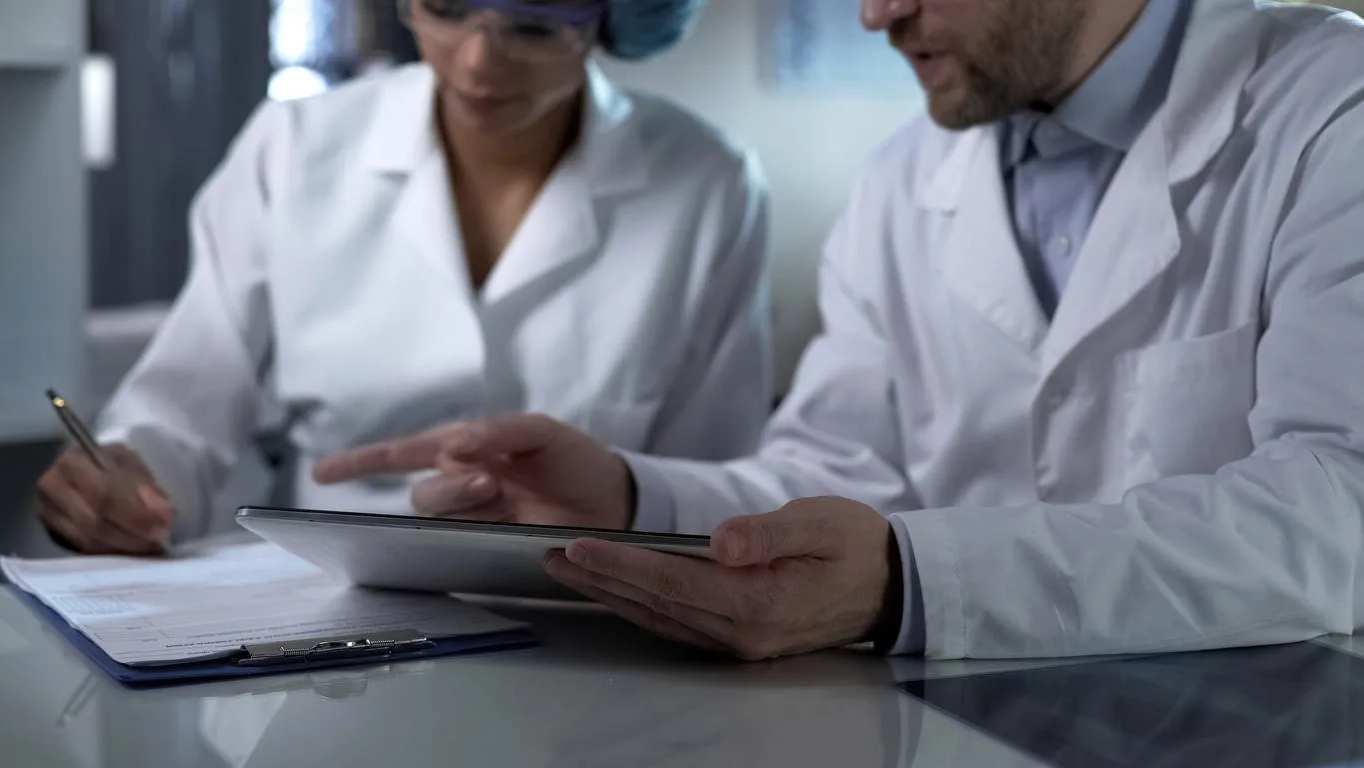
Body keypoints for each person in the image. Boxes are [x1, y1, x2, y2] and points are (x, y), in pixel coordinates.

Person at [317, 0, 1364, 661]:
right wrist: (635, 498)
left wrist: (913, 579)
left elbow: (1337, 509)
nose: (876, 14)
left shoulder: (1329, 113)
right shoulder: (902, 179)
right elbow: (837, 466)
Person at [36, 0, 773, 555]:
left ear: (612, 18)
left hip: (589, 614)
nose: (478, 61)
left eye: (534, 28)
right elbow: (183, 411)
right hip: (316, 619)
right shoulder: (293, 148)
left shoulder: (708, 182)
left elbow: (703, 488)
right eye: (446, 9)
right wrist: (124, 480)